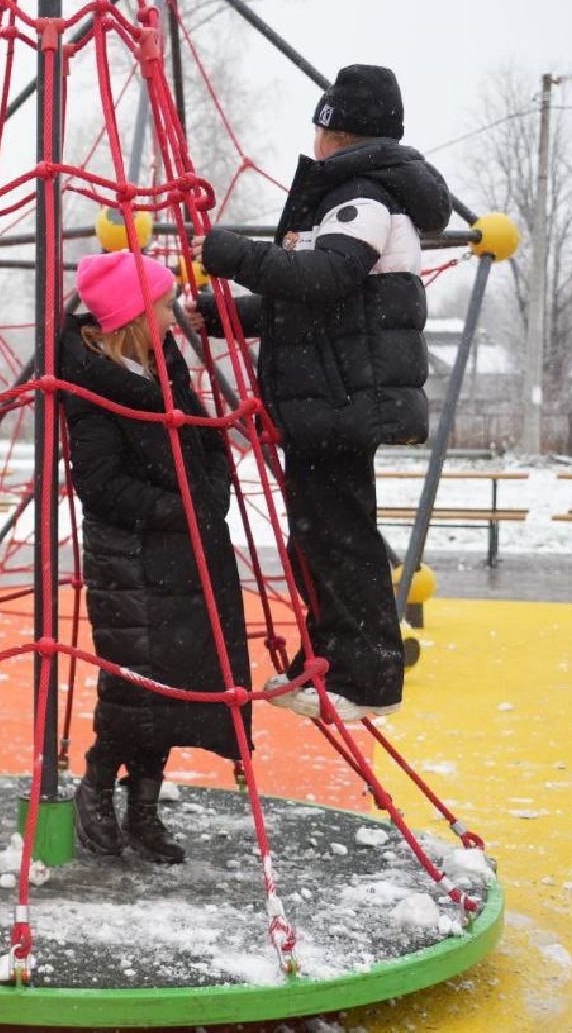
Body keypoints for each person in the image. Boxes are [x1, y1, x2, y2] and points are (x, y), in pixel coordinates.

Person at [188, 64, 451, 723]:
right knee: (317, 537)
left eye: (319, 127)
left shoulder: (361, 197)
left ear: (334, 131)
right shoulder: (354, 197)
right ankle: (329, 656)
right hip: (326, 396)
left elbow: (324, 278)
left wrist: (234, 255)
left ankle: (368, 676)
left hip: (340, 399)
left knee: (340, 539)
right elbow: (307, 306)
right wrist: (216, 314)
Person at [61, 251, 253, 863]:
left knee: (179, 679)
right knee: (135, 684)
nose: (174, 316)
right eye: (165, 305)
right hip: (133, 557)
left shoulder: (162, 365)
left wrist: (210, 494)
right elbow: (100, 483)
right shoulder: (95, 382)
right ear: (135, 315)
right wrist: (180, 509)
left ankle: (144, 804)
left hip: (187, 550)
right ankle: (97, 783)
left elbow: (206, 437)